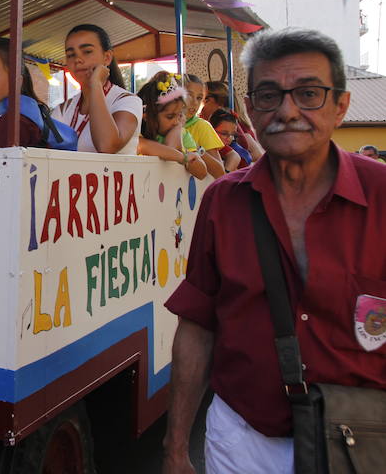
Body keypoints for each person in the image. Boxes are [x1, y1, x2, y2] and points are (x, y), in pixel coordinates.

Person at [162, 28, 386, 474]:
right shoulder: (223, 201)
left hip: (360, 441)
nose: (287, 111)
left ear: (341, 105)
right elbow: (197, 327)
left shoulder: (380, 196)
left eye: (309, 93)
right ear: (250, 109)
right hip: (242, 440)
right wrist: (175, 447)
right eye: (268, 95)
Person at [51, 24, 142, 154]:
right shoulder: (63, 109)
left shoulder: (127, 101)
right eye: (71, 55)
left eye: (87, 52)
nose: (77, 59)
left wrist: (96, 84)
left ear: (107, 58)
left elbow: (107, 146)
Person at [136, 71, 207, 179]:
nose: (175, 122)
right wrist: (182, 157)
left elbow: (201, 173)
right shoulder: (137, 134)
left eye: (179, 115)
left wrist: (178, 129)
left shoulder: (183, 135)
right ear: (146, 115)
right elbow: (146, 146)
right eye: (170, 116)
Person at [202, 80, 264, 162]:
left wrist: (237, 162)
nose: (201, 105)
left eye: (202, 99)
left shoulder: (230, 123)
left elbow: (257, 153)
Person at [183, 75, 226, 178]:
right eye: (189, 95)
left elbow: (220, 173)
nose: (194, 103)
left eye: (199, 98)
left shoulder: (202, 126)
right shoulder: (163, 125)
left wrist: (195, 149)